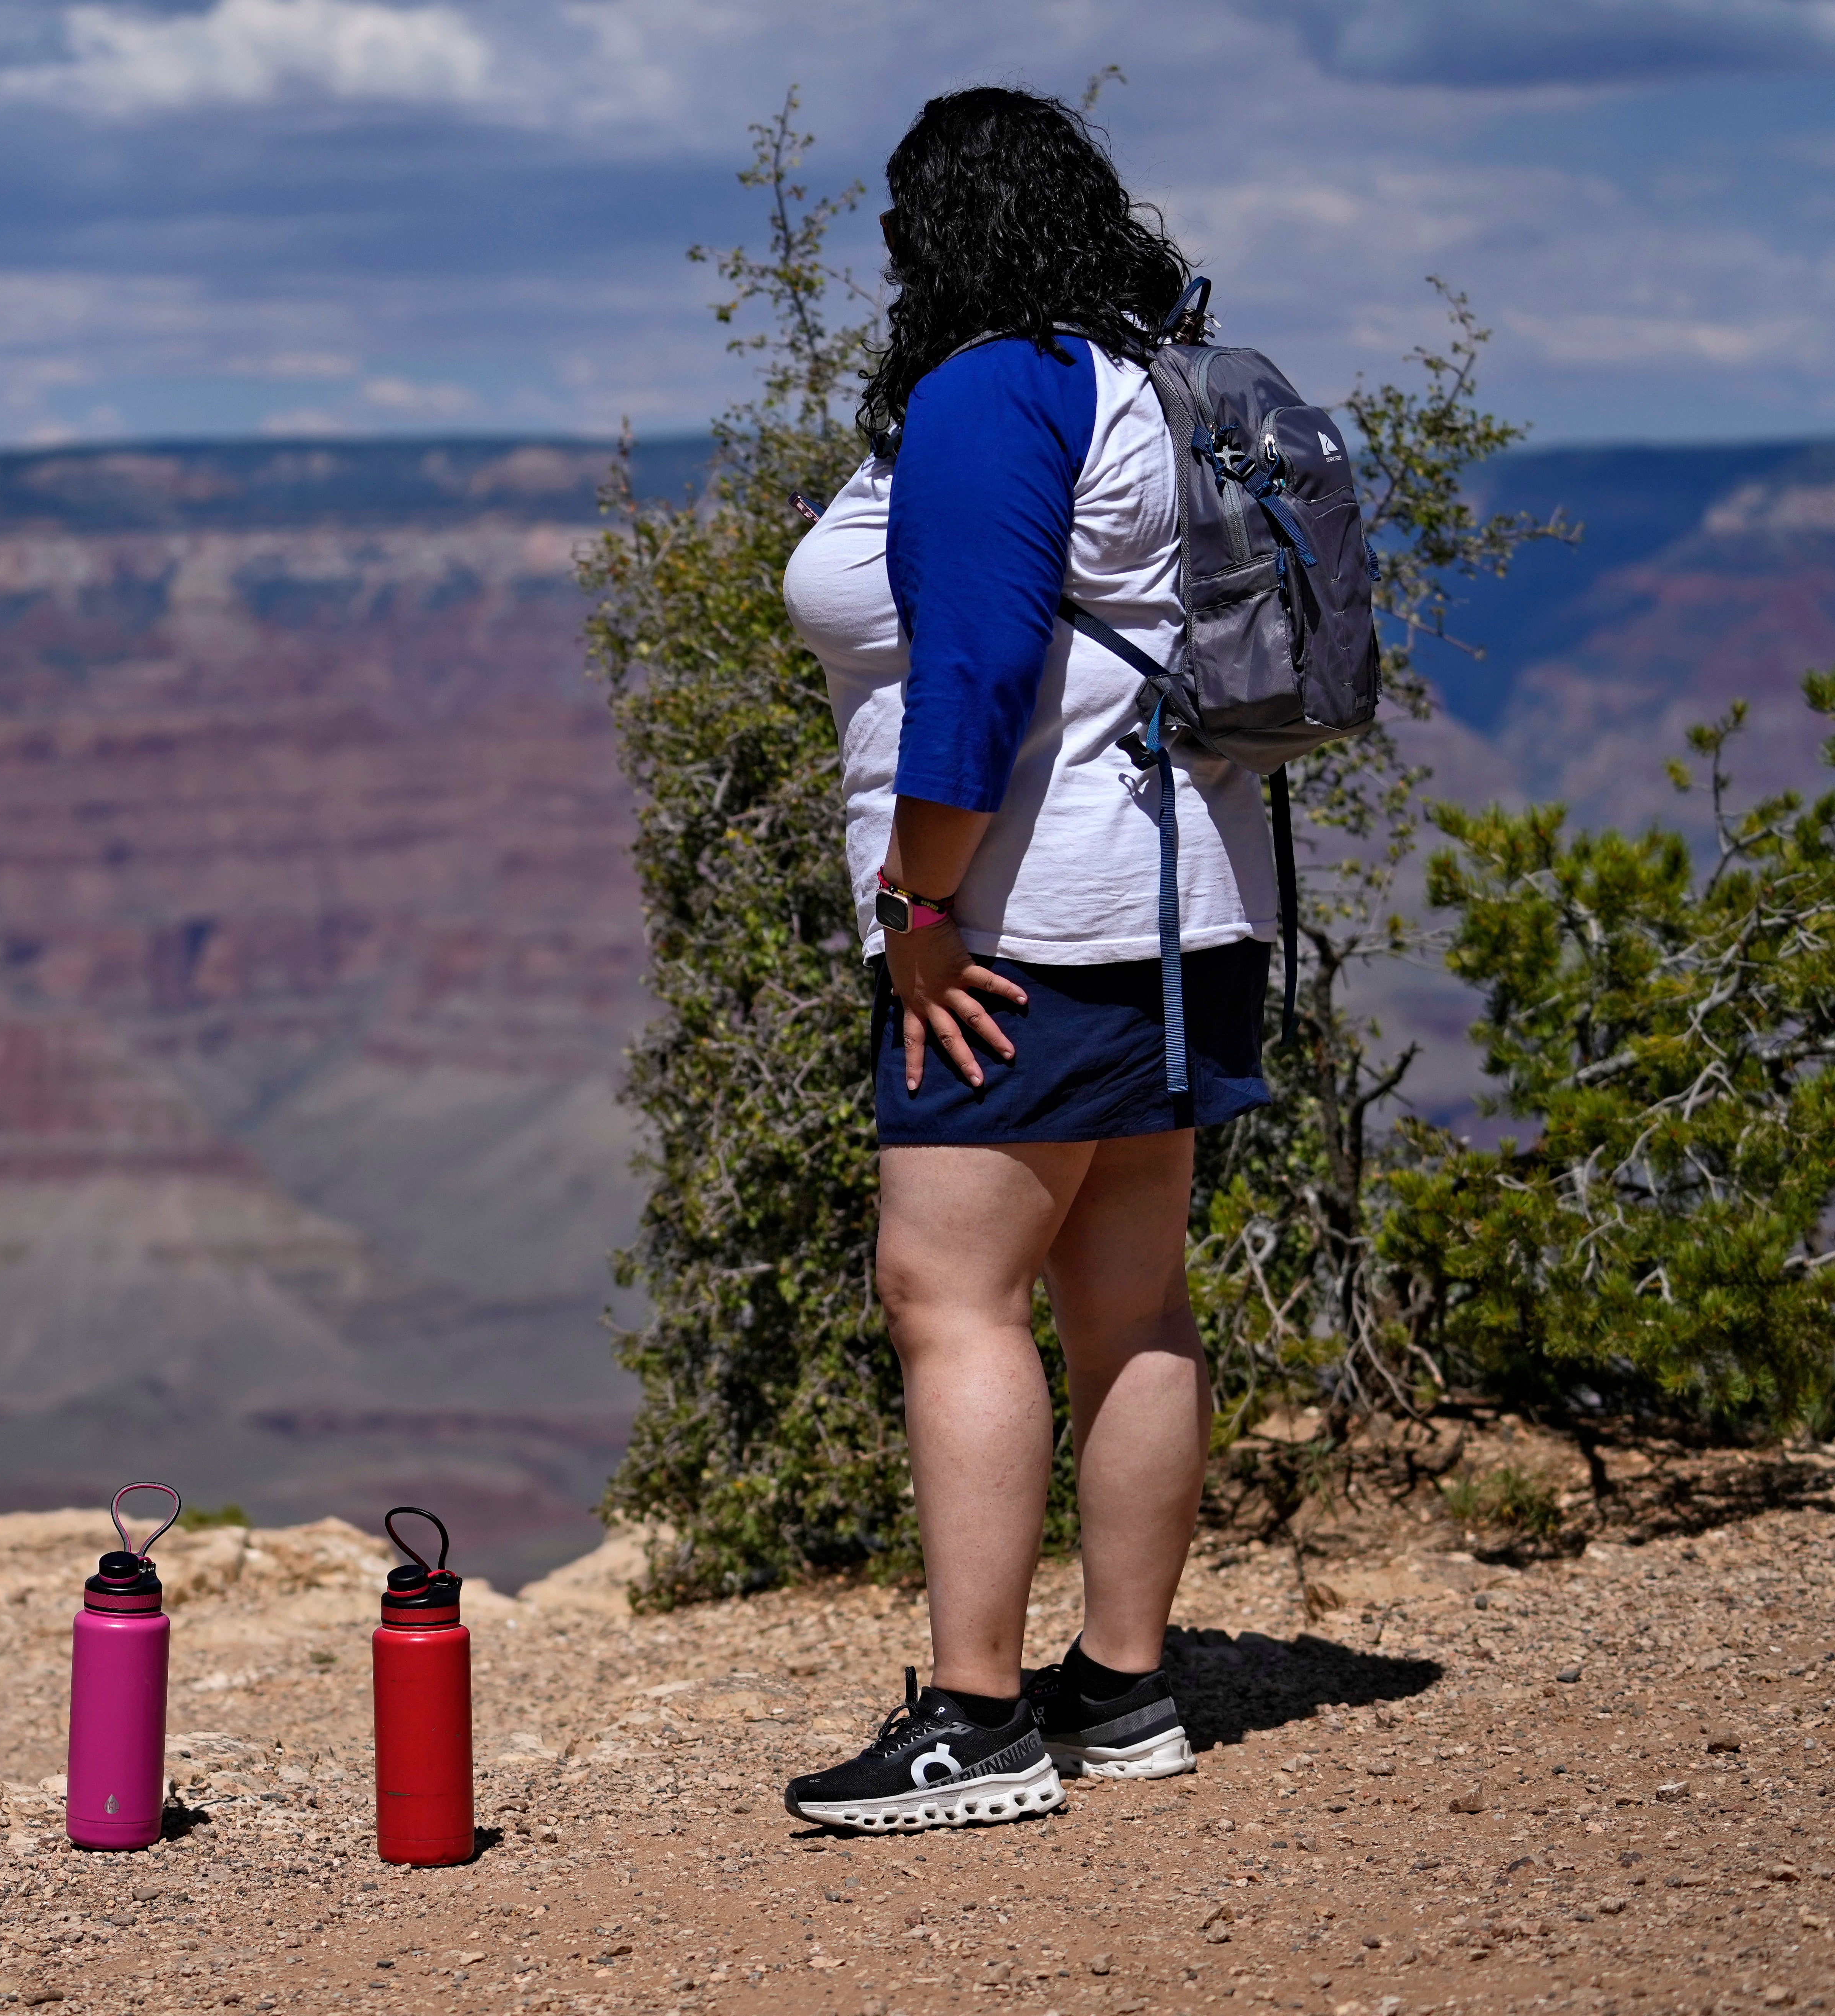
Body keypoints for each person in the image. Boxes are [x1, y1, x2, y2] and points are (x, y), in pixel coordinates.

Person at [775, 88, 1278, 1831]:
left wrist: (922, 915)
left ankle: (974, 1719)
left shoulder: (988, 385)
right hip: (1185, 904)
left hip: (1021, 926)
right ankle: (1123, 1692)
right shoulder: (1139, 378)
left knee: (949, 1295)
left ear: (936, 233)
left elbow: (973, 672)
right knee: (1132, 1299)